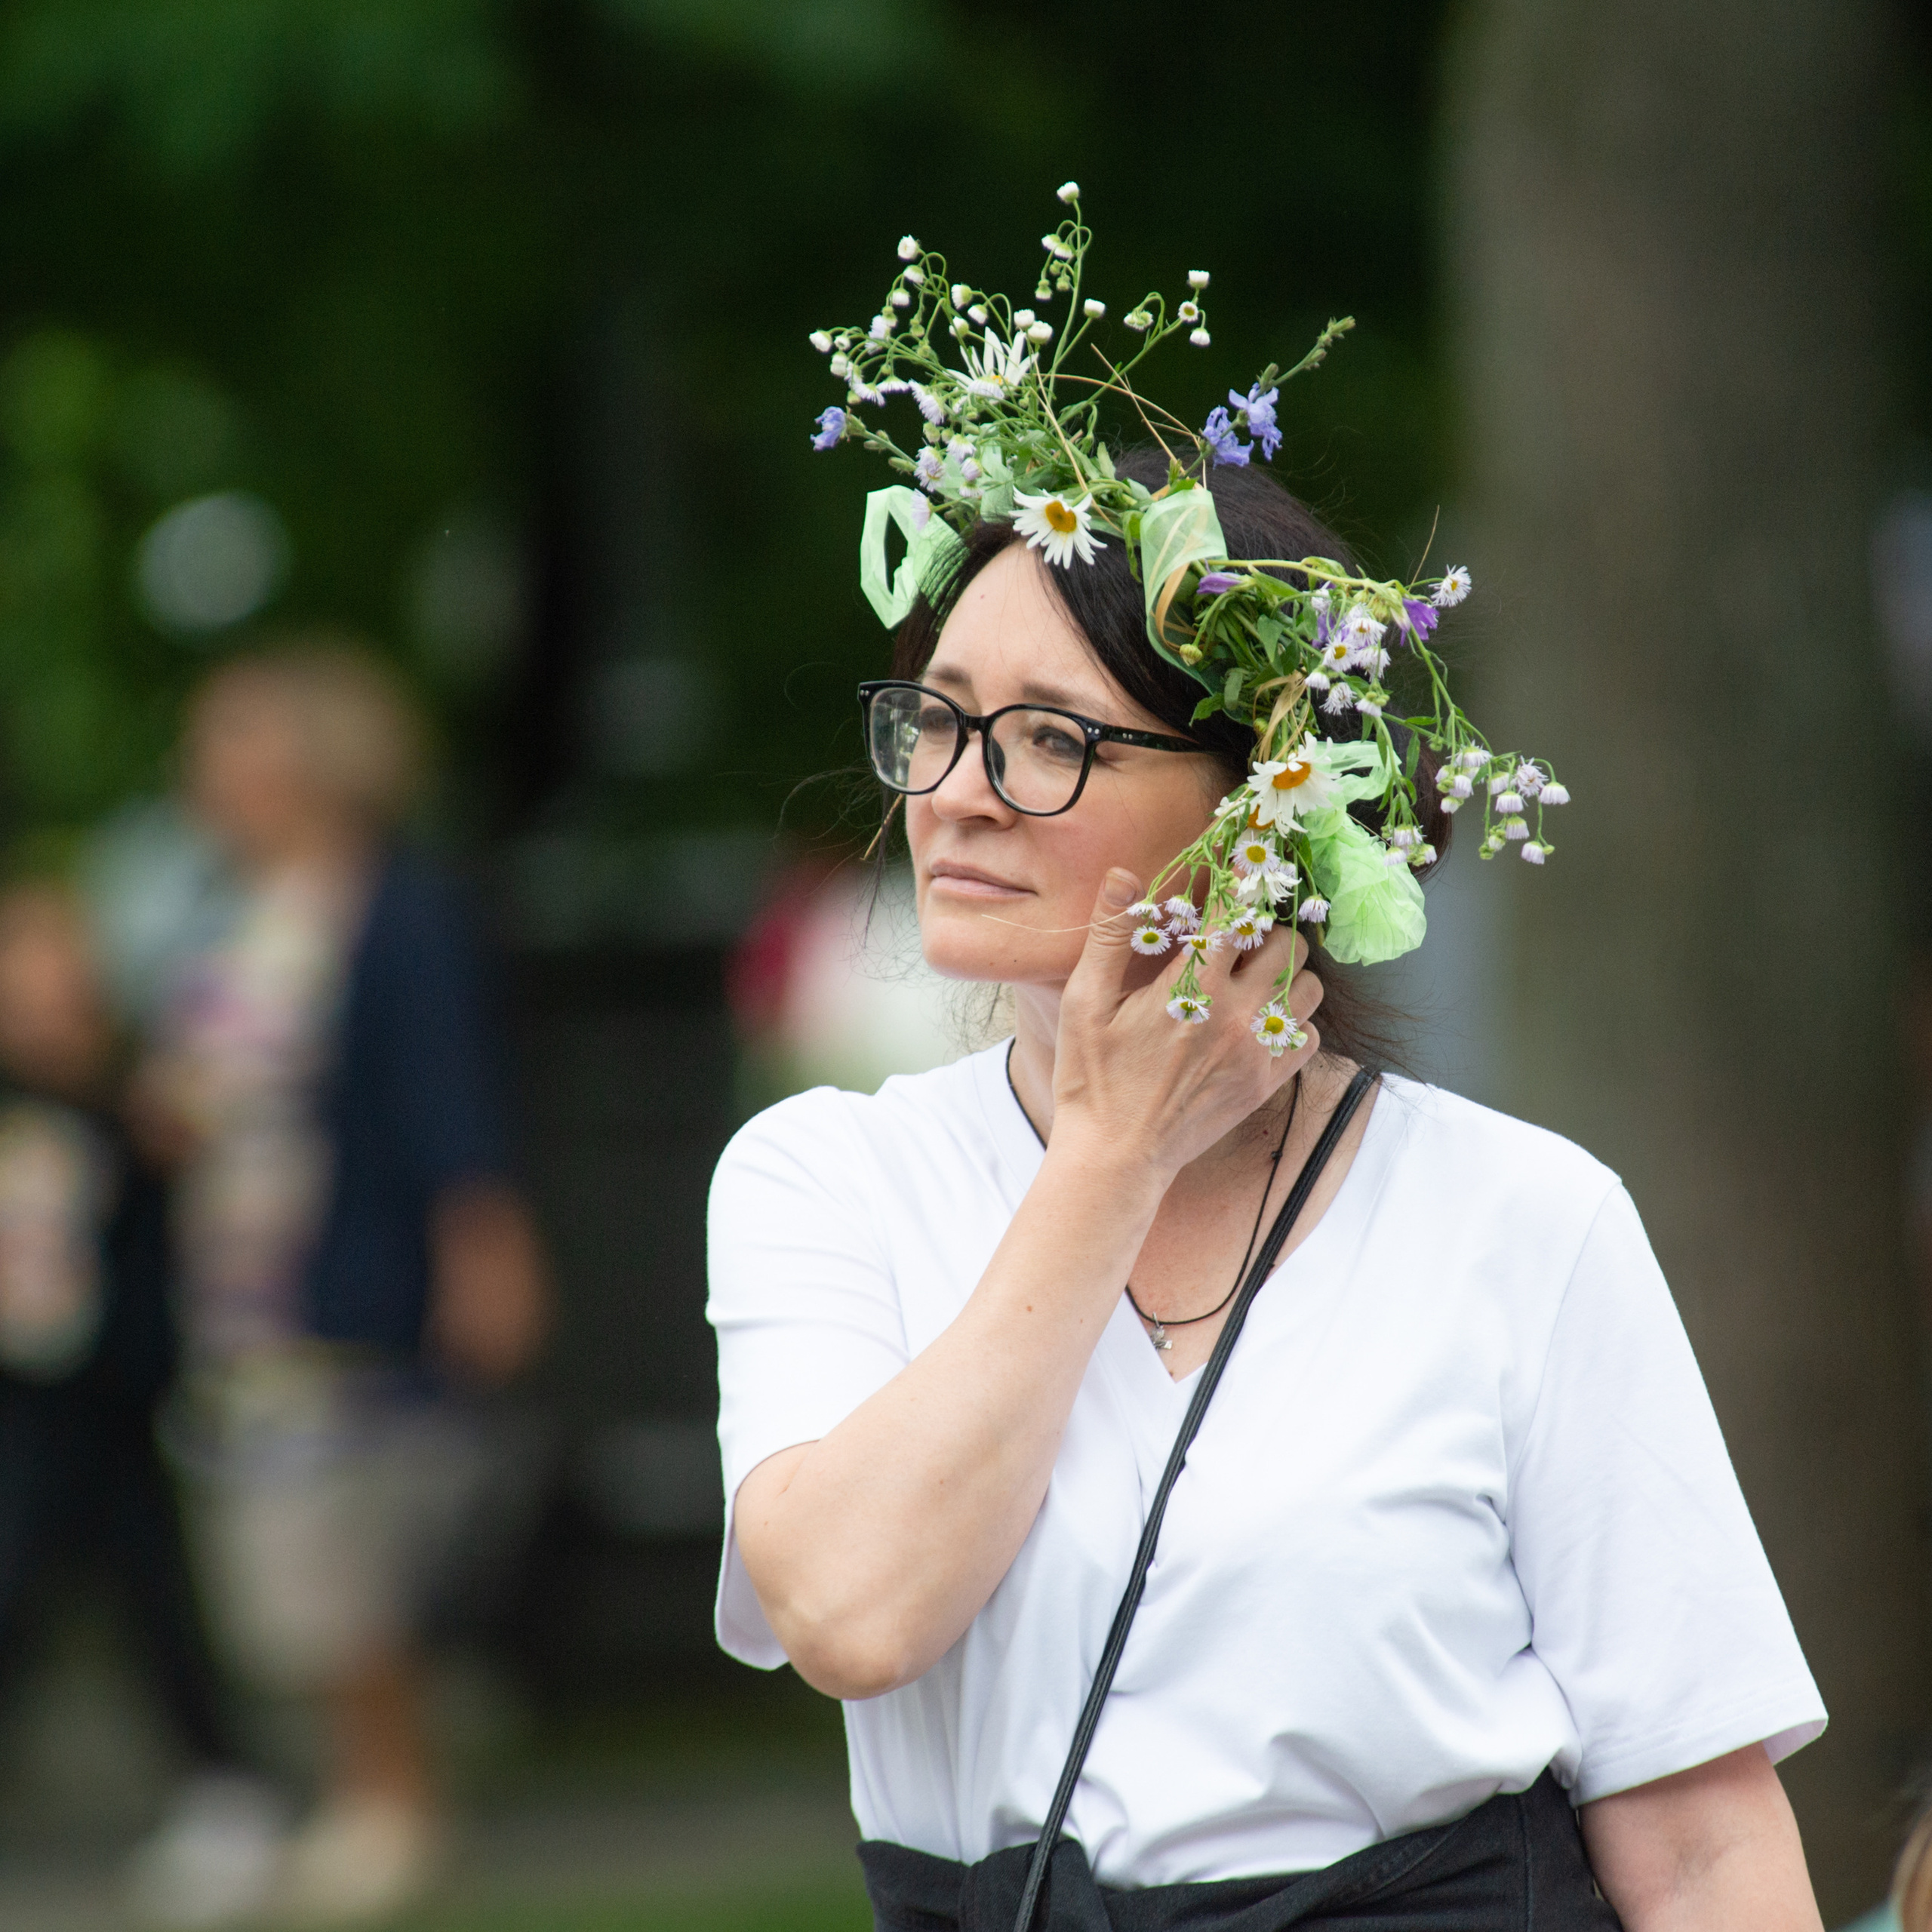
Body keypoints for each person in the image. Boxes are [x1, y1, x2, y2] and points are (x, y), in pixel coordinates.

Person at [710, 202, 1826, 1932]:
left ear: (1258, 806)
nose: (959, 785)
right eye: (934, 714)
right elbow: (852, 1610)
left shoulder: (1519, 1216)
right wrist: (1106, 1157)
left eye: (1052, 738)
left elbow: (1693, 1837)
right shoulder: (824, 1180)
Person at [132, 640, 549, 1927]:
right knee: (286, 1562)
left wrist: (487, 1246)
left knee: (351, 1553)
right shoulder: (229, 912)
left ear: (315, 759)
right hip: (244, 1287)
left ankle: (392, 1800)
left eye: (236, 740)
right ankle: (359, 1792)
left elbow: (445, 1094)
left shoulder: (394, 903)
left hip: (352, 1273)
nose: (209, 770)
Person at [0, 883, 285, 1929]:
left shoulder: (133, 1109)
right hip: (27, 1406)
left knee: (154, 1599)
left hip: (115, 1399)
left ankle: (227, 1790)